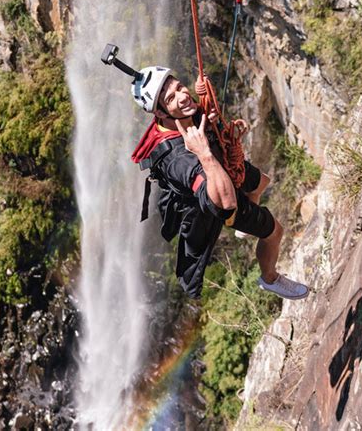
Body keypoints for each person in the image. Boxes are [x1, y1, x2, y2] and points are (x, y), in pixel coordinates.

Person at [131, 66, 309, 301]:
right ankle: (270, 278)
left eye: (179, 87)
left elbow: (201, 110)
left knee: (261, 182)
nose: (183, 96)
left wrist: (203, 98)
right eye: (171, 98)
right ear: (160, 113)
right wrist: (204, 153)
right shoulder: (177, 160)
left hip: (222, 165)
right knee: (275, 232)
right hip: (219, 198)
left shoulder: (180, 114)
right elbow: (225, 202)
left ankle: (244, 229)